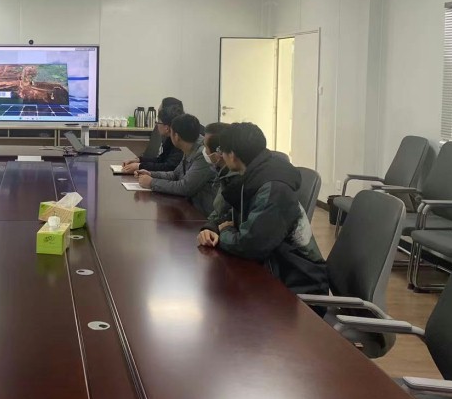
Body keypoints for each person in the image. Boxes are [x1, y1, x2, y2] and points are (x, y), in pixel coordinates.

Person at [197, 122, 328, 296]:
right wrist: (211, 229)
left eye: (222, 150)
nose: (220, 154)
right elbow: (229, 214)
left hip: (298, 282)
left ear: (232, 156)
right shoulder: (252, 176)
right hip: (273, 267)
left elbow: (251, 245)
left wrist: (224, 232)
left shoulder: (273, 188)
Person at [136, 113, 217, 215]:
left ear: (176, 136)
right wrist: (151, 174)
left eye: (171, 132)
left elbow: (185, 187)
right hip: (189, 208)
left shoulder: (202, 154)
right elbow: (175, 174)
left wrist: (152, 183)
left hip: (202, 215)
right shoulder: (189, 146)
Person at [121, 97, 185, 174]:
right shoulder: (170, 137)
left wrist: (140, 166)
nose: (156, 125)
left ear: (167, 128)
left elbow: (169, 167)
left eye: (158, 121)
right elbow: (162, 160)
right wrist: (139, 160)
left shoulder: (179, 140)